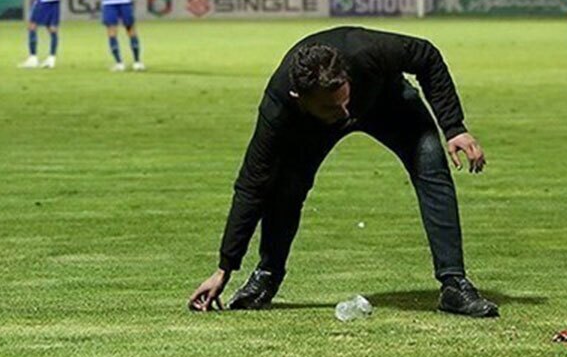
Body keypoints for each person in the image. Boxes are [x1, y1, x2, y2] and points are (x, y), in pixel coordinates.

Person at [187, 27, 499, 318]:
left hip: (386, 102)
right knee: (286, 188)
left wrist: (454, 127)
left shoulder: (369, 51)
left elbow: (427, 55)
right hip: (312, 128)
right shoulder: (280, 106)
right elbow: (252, 185)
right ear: (299, 98)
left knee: (431, 166)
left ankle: (454, 285)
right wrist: (224, 268)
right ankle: (267, 276)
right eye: (331, 107)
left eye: (344, 100)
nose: (345, 114)